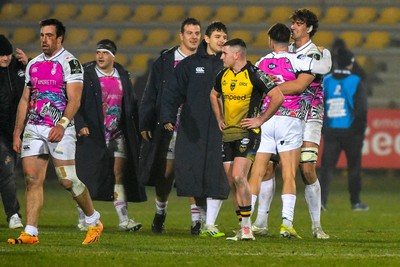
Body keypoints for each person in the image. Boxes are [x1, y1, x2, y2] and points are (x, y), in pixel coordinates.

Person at [8, 18, 102, 245]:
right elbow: (25, 99)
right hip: (34, 127)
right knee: (32, 179)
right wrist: (17, 131)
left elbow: (75, 99)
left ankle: (93, 220)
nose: (44, 40)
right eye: (42, 35)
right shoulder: (33, 64)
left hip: (60, 128)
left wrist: (62, 124)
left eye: (49, 36)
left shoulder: (70, 63)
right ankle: (30, 232)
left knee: (67, 180)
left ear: (59, 38)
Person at [247, 22, 331, 239]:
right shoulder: (293, 55)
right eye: (292, 24)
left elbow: (295, 86)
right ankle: (270, 222)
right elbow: (316, 69)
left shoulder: (263, 61)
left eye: (298, 23)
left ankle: (315, 225)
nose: (294, 26)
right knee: (276, 171)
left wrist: (266, 88)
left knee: (298, 169)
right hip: (285, 117)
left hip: (293, 116)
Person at [210, 38, 284, 241]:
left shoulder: (255, 74)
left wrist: (260, 119)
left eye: (224, 53)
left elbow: (278, 96)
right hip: (228, 134)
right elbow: (213, 95)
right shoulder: (222, 75)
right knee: (232, 182)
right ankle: (243, 226)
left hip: (248, 134)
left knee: (238, 176)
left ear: (236, 54)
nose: (221, 56)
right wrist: (219, 118)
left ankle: (247, 229)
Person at [161, 21, 230, 238]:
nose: (221, 40)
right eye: (217, 36)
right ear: (207, 39)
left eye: (224, 37)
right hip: (194, 128)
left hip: (222, 128)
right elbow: (172, 92)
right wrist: (167, 117)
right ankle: (200, 220)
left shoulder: (230, 64)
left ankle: (209, 223)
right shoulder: (190, 65)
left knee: (216, 175)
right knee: (194, 175)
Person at [74, 39, 146, 232]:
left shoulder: (121, 74)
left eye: (105, 53)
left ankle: (124, 220)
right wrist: (80, 124)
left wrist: (136, 126)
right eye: (98, 52)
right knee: (87, 176)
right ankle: (84, 219)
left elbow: (130, 103)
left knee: (118, 175)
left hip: (117, 133)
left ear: (113, 56)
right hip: (93, 134)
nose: (100, 56)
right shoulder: (86, 74)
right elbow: (75, 101)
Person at [139, 18, 202, 234]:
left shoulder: (205, 60)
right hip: (168, 124)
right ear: (181, 35)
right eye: (190, 33)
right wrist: (145, 120)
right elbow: (151, 92)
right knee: (165, 173)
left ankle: (196, 222)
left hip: (195, 126)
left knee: (192, 172)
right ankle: (160, 213)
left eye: (197, 33)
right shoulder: (166, 60)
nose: (194, 36)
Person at [319, 48, 368, 211]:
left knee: (326, 169)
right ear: (351, 63)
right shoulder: (355, 80)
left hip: (331, 131)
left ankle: (321, 202)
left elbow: (319, 105)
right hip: (351, 132)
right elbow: (361, 109)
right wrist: (360, 131)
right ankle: (355, 202)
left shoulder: (326, 80)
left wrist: (323, 128)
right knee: (354, 168)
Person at [0, 34, 28, 229]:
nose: (5, 58)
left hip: (16, 130)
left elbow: (39, 79)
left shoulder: (19, 67)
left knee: (7, 172)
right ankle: (13, 215)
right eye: (1, 55)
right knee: (8, 171)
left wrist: (28, 64)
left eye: (8, 54)